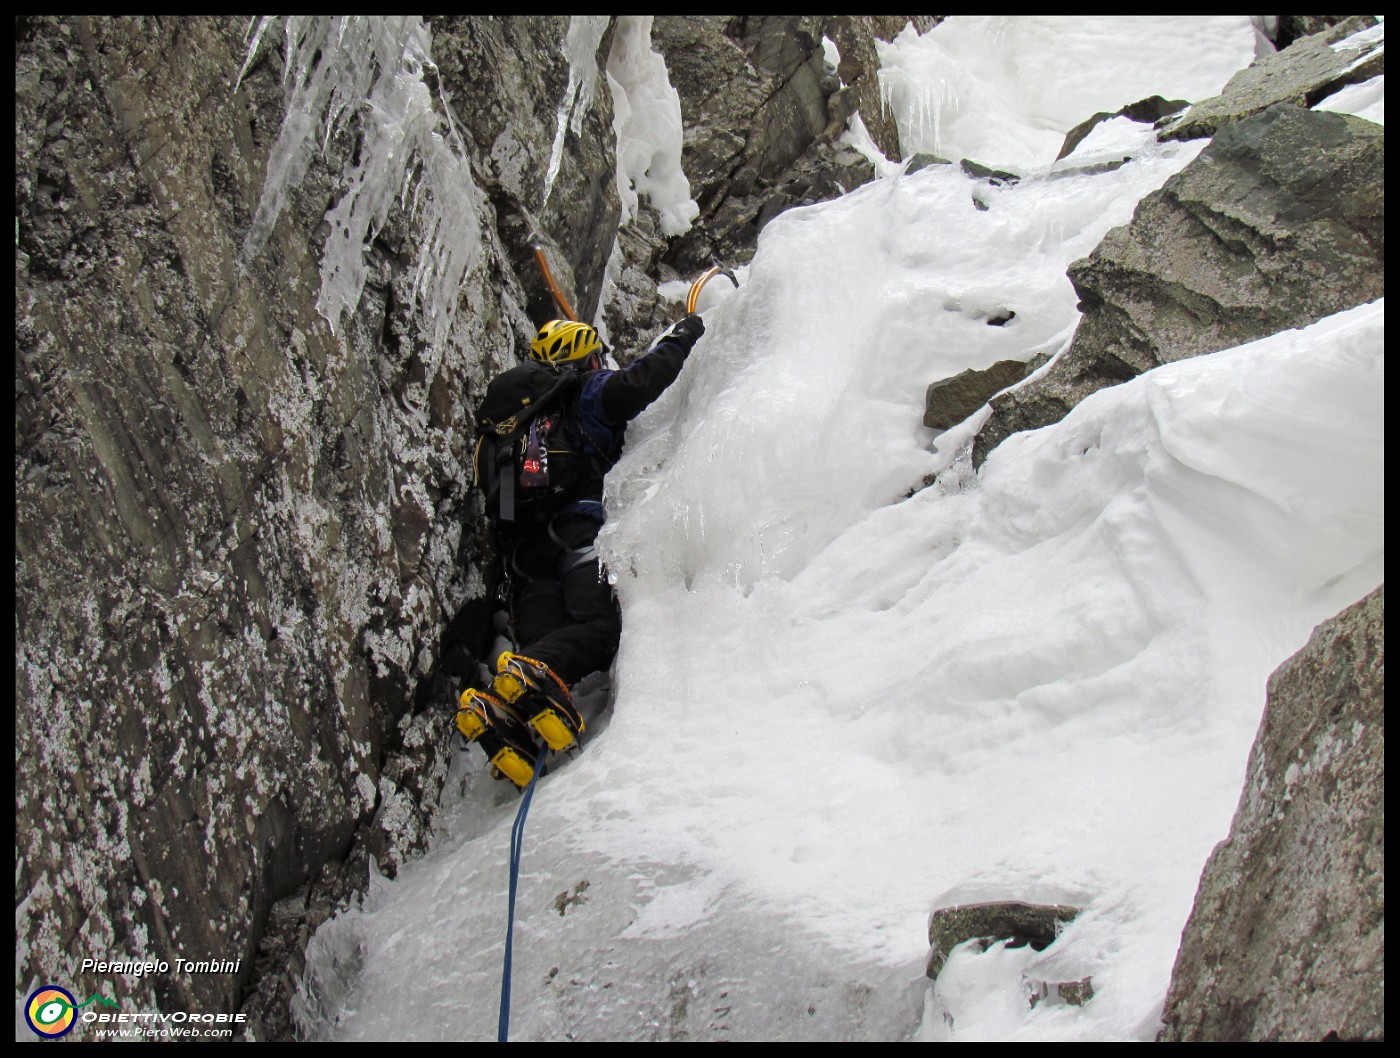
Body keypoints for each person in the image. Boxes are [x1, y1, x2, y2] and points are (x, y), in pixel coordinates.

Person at [456, 312, 706, 786]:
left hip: (524, 566)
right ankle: (525, 693)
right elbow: (637, 384)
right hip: (577, 535)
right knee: (597, 626)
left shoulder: (504, 434)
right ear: (582, 359)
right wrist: (685, 335)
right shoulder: (580, 395)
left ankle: (502, 716)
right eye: (594, 357)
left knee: (542, 660)